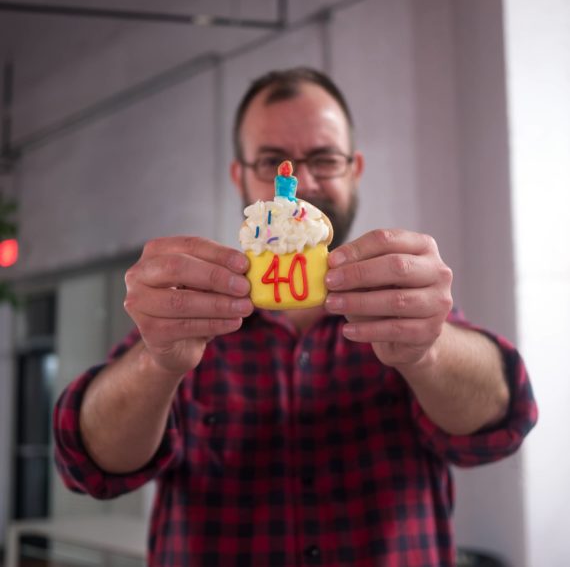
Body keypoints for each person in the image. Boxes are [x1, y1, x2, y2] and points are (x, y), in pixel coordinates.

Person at [54, 67, 537, 567]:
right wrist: (156, 364)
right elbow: (92, 465)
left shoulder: (403, 304)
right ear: (239, 176)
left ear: (356, 169)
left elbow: (503, 420)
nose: (300, 183)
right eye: (272, 162)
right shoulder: (186, 314)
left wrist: (430, 350)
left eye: (325, 158)